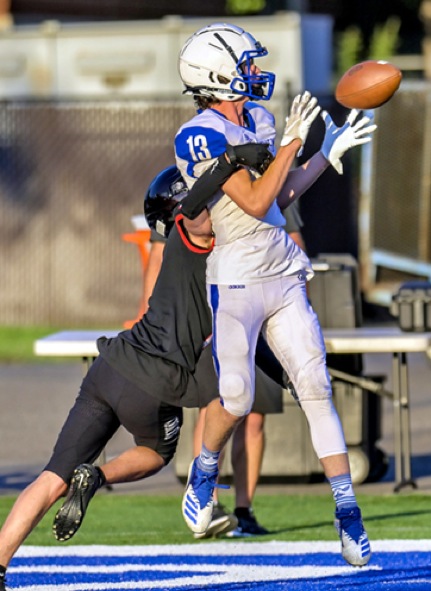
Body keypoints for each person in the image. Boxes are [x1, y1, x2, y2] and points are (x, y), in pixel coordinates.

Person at [0, 145, 277, 591]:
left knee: (52, 476)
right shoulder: (206, 245)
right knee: (165, 447)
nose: (220, 205)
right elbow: (253, 338)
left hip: (110, 366)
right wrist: (231, 163)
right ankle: (106, 475)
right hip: (155, 382)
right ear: (183, 210)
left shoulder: (191, 247)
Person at [174, 23, 376, 567]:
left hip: (283, 272)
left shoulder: (260, 119)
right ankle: (205, 468)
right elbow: (255, 200)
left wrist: (322, 155)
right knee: (237, 398)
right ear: (217, 75)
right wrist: (291, 144)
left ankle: (347, 511)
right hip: (236, 279)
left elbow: (281, 196)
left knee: (316, 386)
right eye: (245, 65)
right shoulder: (198, 135)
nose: (255, 73)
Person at [143, 203, 304, 537]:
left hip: (259, 316)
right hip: (211, 318)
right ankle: (207, 502)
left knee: (254, 418)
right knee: (215, 408)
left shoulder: (268, 188)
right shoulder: (194, 188)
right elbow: (158, 255)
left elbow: (294, 244)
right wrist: (152, 318)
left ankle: (245, 510)